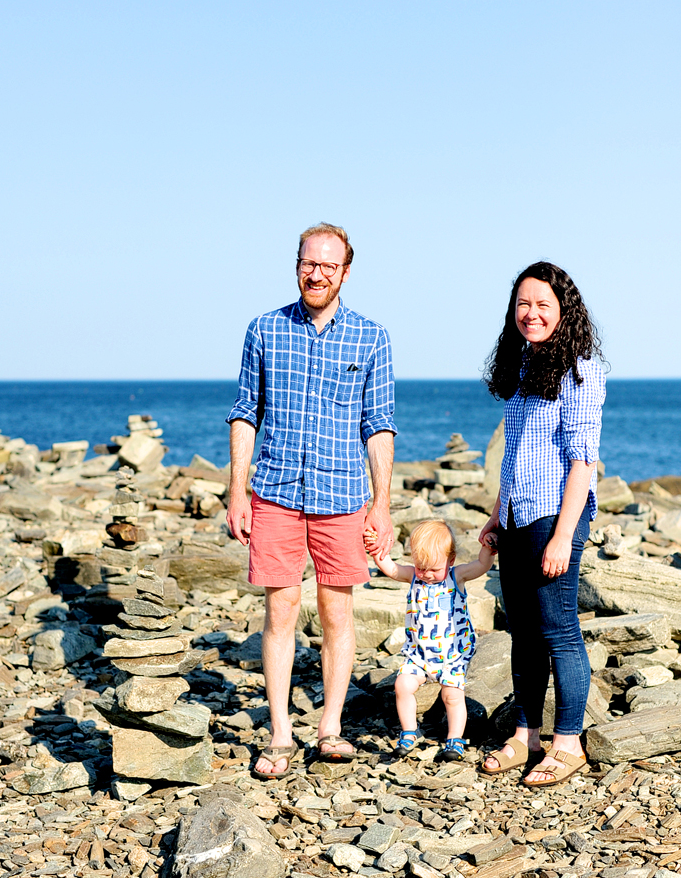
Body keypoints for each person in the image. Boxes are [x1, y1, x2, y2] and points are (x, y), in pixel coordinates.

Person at [226, 222, 396, 778]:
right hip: (274, 490)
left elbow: (379, 425)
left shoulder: (372, 338)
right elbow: (245, 412)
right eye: (308, 262)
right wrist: (237, 489)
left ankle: (330, 727)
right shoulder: (264, 330)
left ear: (346, 272)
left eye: (328, 265)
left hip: (342, 492)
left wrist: (382, 503)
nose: (316, 273)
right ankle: (279, 735)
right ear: (297, 263)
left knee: (336, 613)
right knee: (280, 611)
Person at [478, 261, 605, 787]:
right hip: (517, 516)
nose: (531, 314)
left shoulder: (582, 368)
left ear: (563, 310)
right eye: (523, 304)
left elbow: (582, 461)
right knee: (523, 634)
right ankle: (524, 735)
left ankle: (568, 743)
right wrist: (495, 516)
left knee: (560, 633)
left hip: (556, 515)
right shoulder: (526, 366)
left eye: (543, 305)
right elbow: (517, 456)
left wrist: (561, 536)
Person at [367, 519, 496, 762]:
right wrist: (376, 550)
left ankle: (455, 739)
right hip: (419, 655)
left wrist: (488, 549)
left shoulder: (456, 576)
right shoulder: (413, 577)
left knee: (452, 696)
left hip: (452, 656)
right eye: (420, 567)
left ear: (451, 559)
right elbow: (390, 567)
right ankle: (409, 731)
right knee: (402, 686)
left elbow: (481, 565)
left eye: (433, 569)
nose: (426, 575)